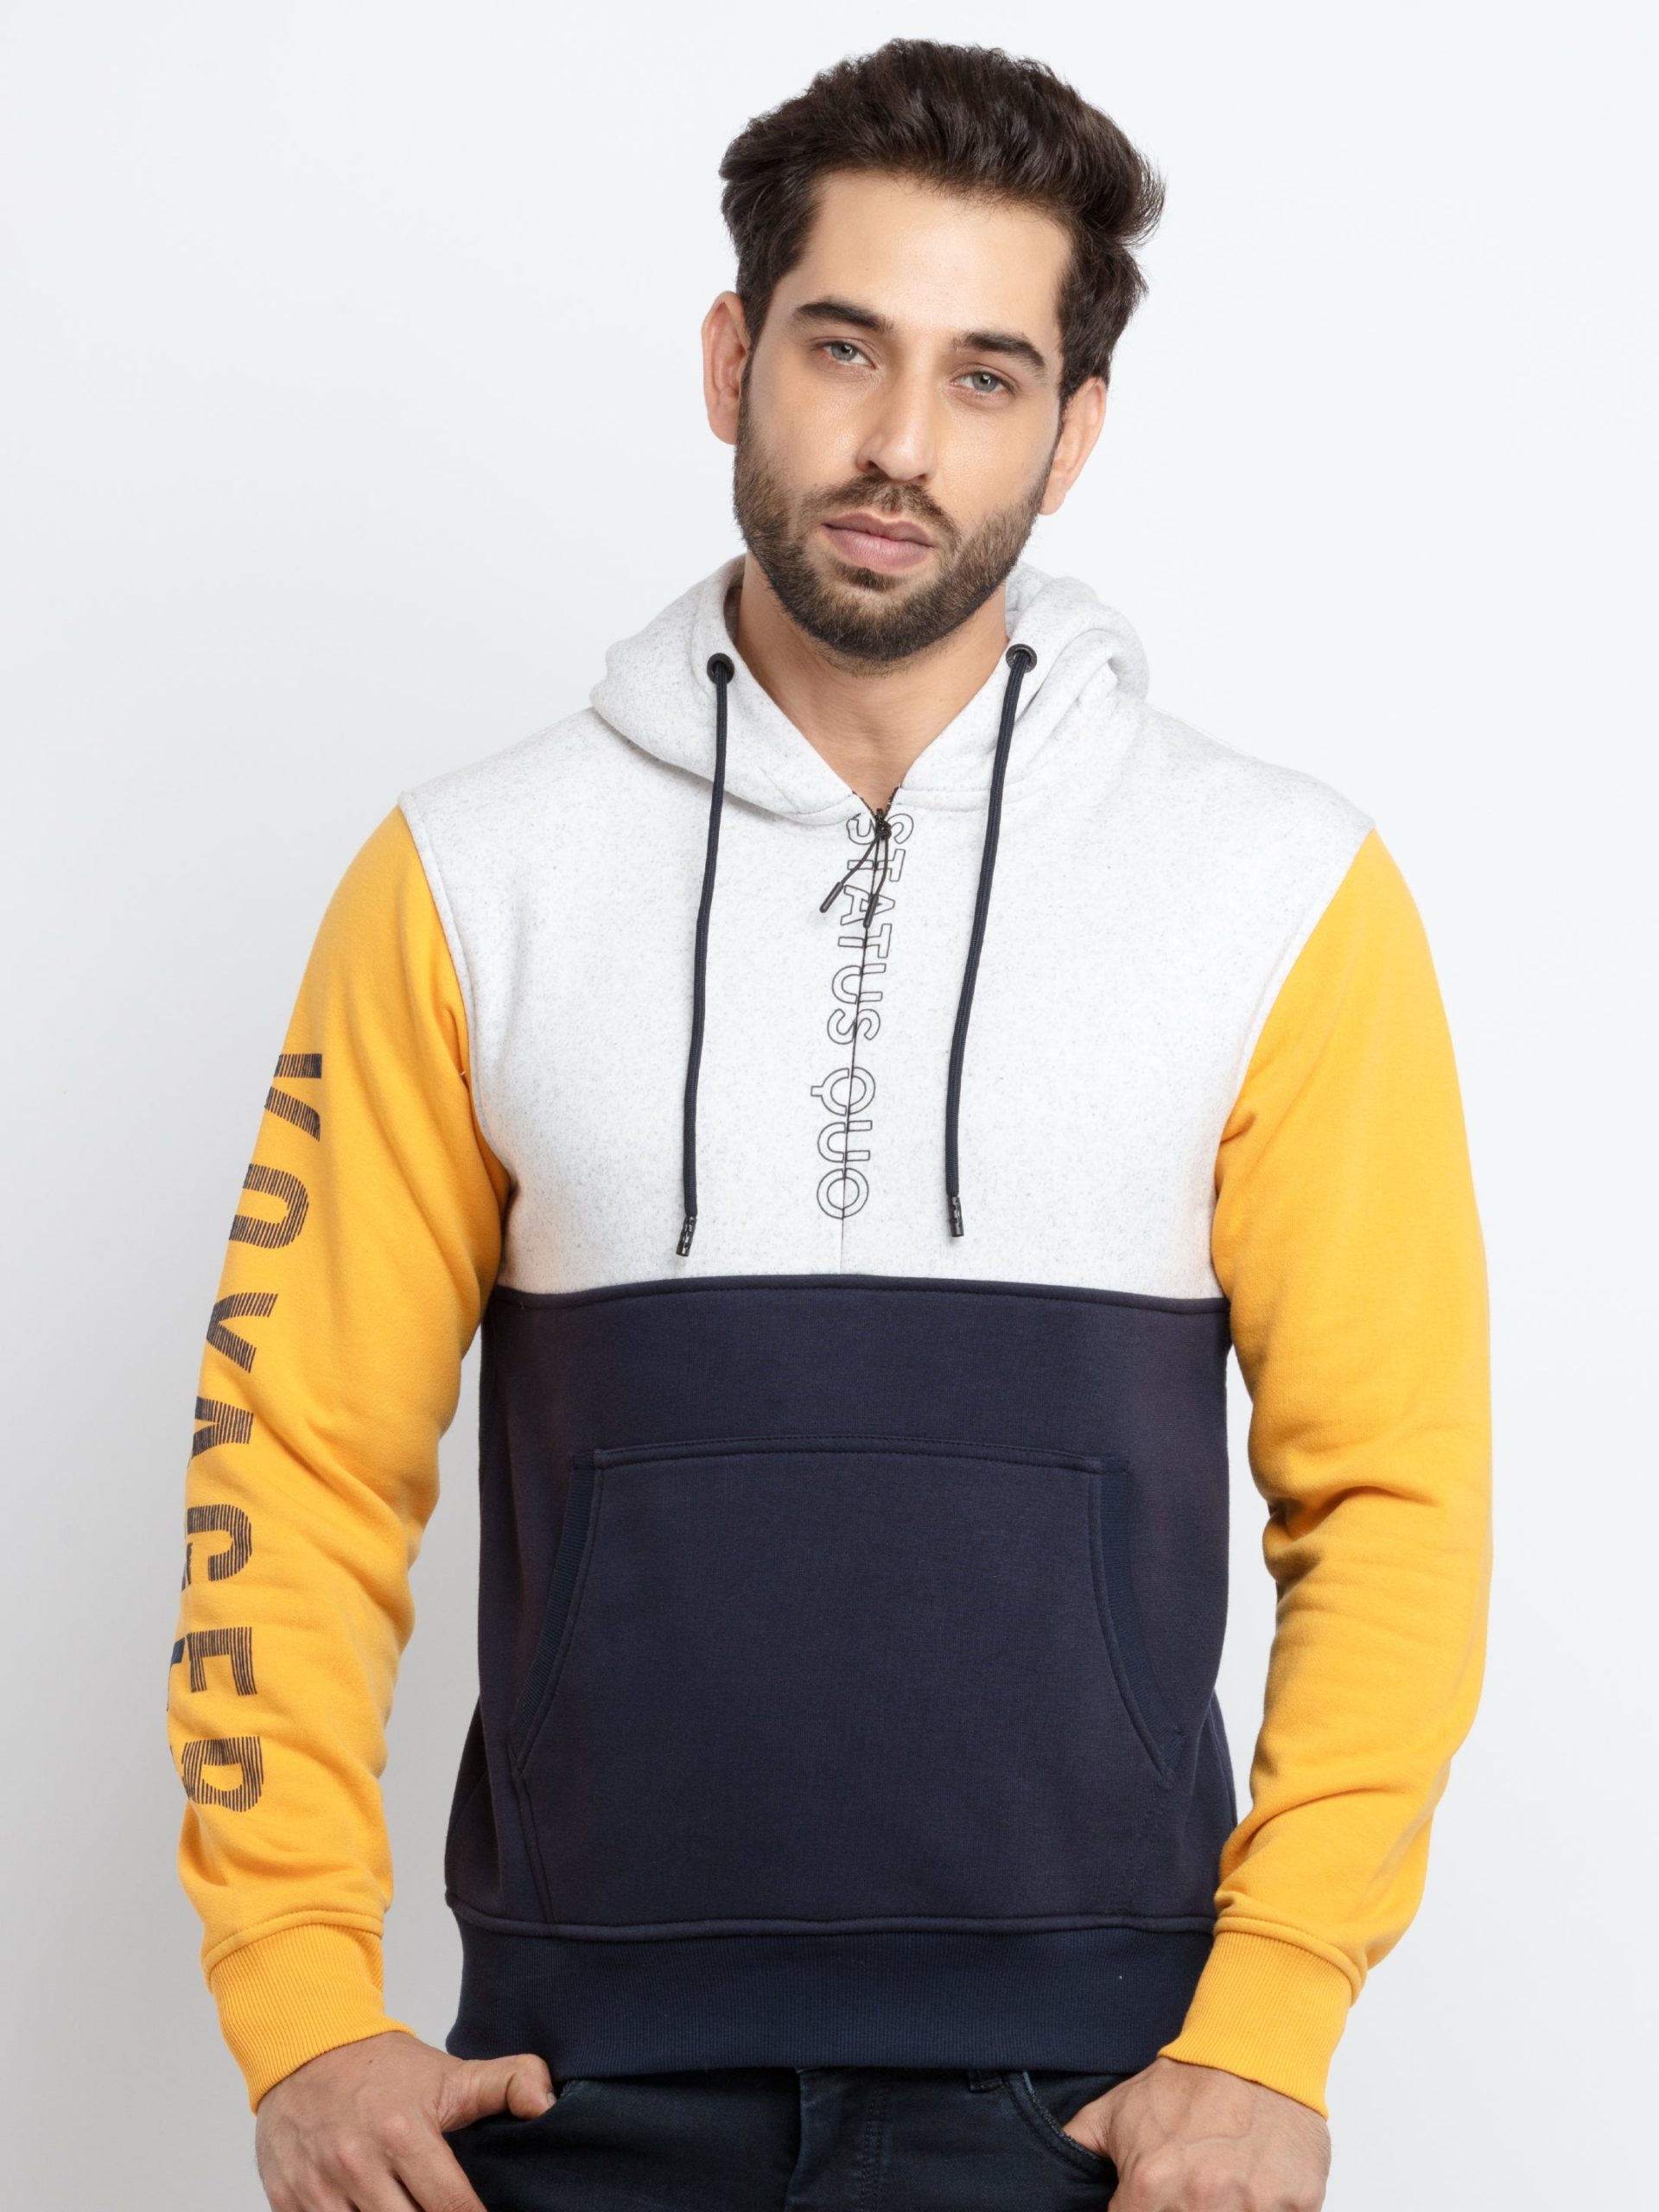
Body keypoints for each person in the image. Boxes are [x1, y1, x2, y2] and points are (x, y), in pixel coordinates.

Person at [167, 36, 1491, 2212]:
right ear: (731, 359)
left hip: (1101, 2102)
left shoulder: (1279, 892)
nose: (898, 443)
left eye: (986, 377)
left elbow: (1394, 1496)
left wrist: (1272, 2021)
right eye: (843, 346)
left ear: (1072, 433)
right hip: (568, 2090)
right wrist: (301, 1997)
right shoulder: (468, 879)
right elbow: (289, 1465)